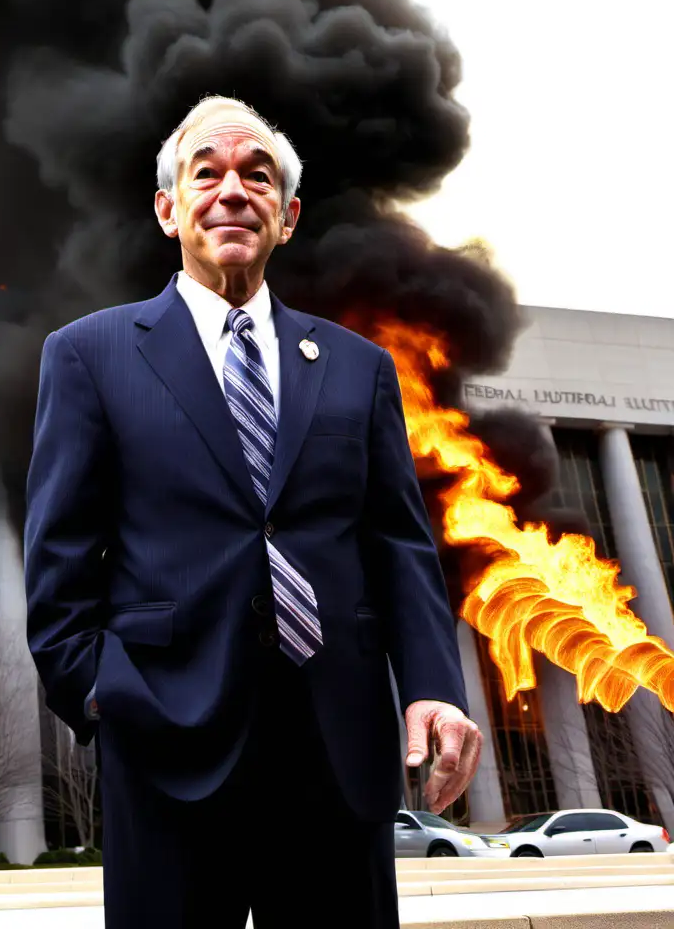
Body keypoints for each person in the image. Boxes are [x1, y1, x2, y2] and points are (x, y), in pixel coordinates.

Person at [24, 95, 482, 928]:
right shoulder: (89, 355)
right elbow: (58, 559)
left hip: (337, 751)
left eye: (257, 175)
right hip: (167, 746)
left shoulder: (360, 367)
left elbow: (398, 543)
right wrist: (100, 692)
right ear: (169, 209)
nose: (233, 190)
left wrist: (432, 687)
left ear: (288, 216)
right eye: (207, 173)